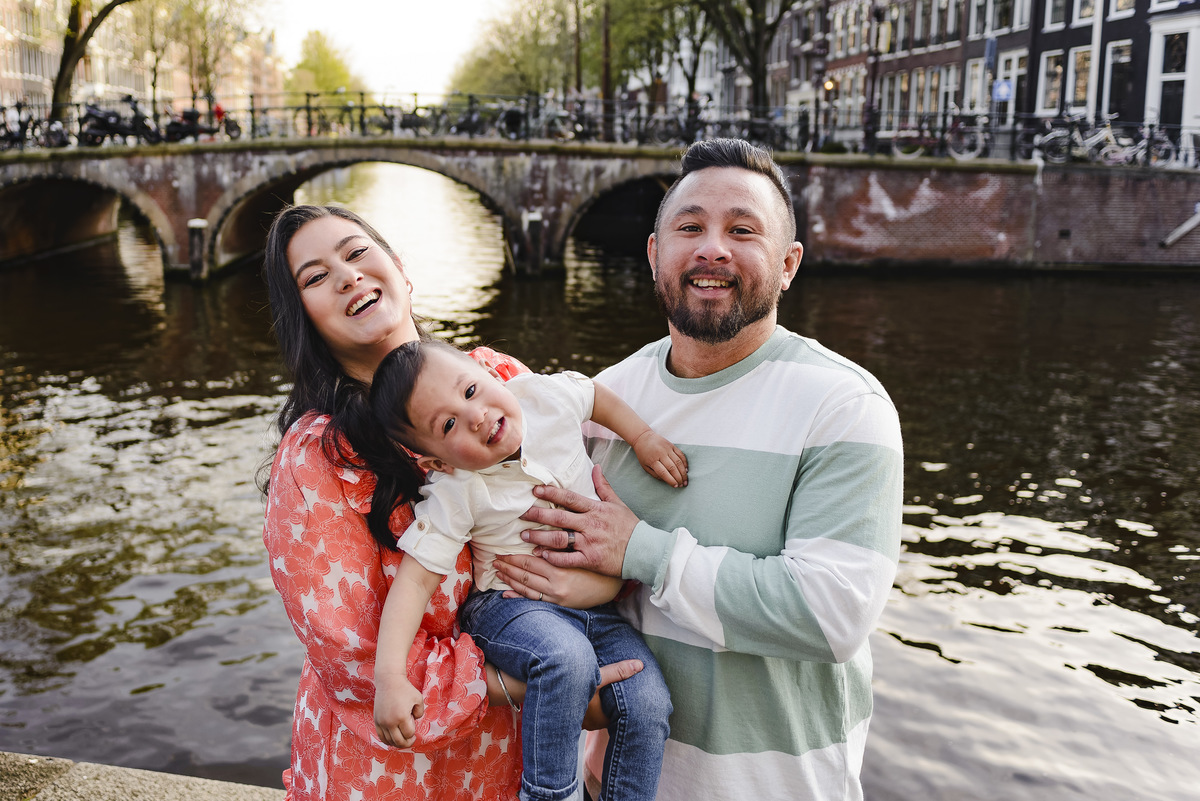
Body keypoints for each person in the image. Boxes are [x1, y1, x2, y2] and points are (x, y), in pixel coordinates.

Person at [500, 138, 905, 801]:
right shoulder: (608, 397)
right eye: (689, 227)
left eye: (742, 230)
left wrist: (642, 550)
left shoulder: (843, 407)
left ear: (787, 264)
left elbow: (830, 616)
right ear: (657, 254)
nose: (711, 247)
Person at [260, 204, 646, 801]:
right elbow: (351, 656)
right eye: (314, 277)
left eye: (357, 252)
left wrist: (600, 587)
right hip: (390, 775)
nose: (347, 276)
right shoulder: (316, 460)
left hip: (510, 761)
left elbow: (587, 505)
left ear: (399, 267)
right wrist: (537, 681)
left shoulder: (499, 378)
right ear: (304, 320)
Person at [367, 340, 682, 801]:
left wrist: (642, 436)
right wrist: (390, 677)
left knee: (647, 700)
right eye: (449, 424)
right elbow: (414, 581)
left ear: (490, 374)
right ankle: (548, 794)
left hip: (595, 611)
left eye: (471, 390)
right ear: (437, 462)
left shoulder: (543, 398)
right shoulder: (458, 489)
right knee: (566, 658)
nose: (474, 415)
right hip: (509, 610)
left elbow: (592, 395)